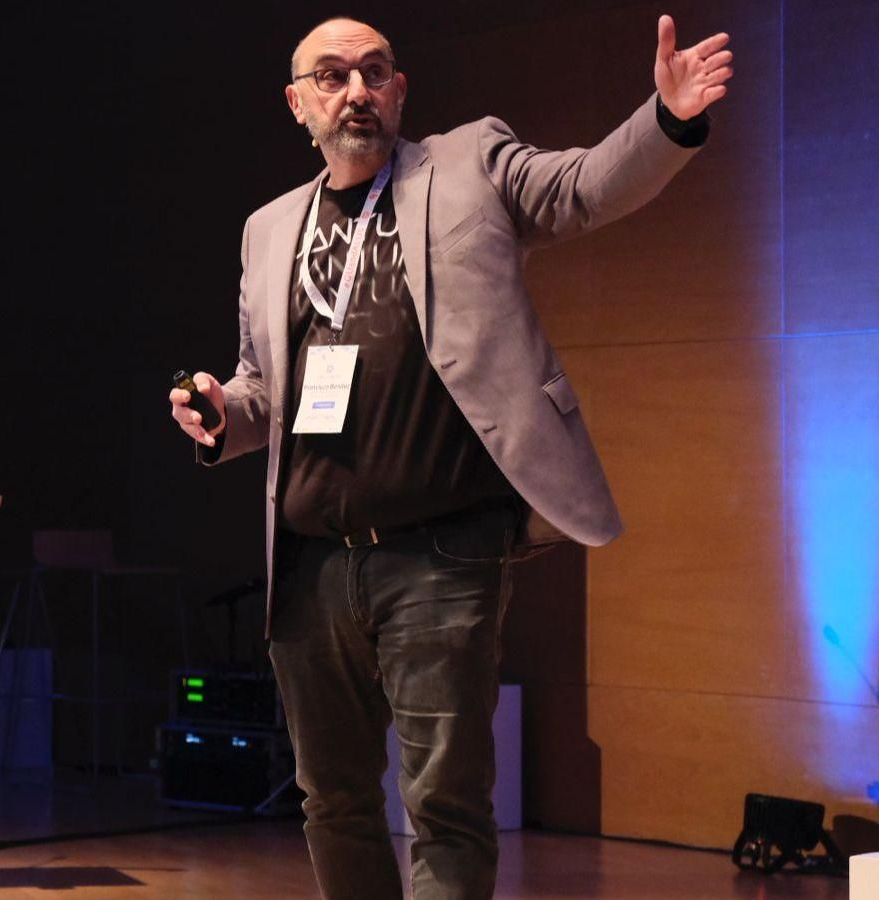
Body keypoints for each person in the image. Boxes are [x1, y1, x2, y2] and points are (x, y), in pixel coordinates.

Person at [168, 14, 732, 899]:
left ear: (399, 91)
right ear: (297, 103)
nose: (355, 90)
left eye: (374, 72)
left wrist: (665, 120)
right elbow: (260, 389)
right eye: (332, 76)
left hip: (440, 554)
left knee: (446, 808)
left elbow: (584, 187)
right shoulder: (269, 228)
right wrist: (218, 414)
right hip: (312, 562)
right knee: (333, 802)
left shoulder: (470, 165)